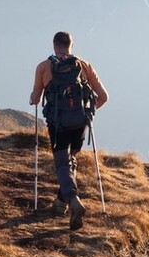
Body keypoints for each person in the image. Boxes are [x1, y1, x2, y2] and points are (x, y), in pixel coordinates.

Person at [29, 31, 108, 230]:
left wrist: (33, 98)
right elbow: (103, 96)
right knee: (71, 162)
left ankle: (73, 200)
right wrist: (87, 112)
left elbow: (36, 98)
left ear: (55, 45)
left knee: (63, 164)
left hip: (58, 124)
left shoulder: (44, 67)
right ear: (71, 45)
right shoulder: (84, 65)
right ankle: (61, 204)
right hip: (80, 123)